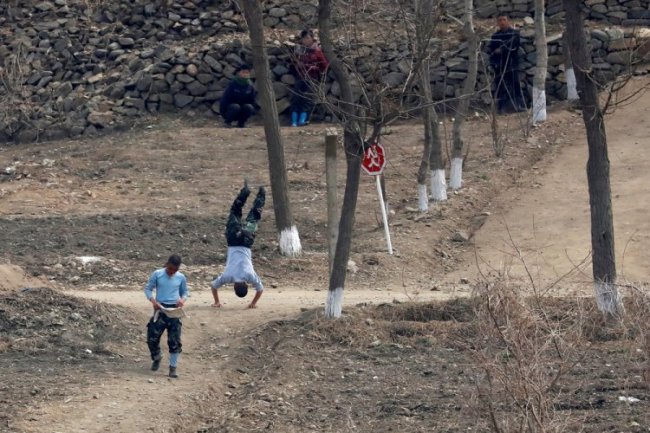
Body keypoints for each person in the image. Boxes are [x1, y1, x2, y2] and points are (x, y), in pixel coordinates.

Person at [211, 182, 265, 309]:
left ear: (246, 284)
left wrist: (253, 303)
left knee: (254, 216)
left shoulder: (250, 276)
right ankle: (245, 191)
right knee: (235, 212)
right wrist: (217, 301)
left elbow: (260, 289)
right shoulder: (228, 276)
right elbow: (213, 286)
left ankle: (261, 193)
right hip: (233, 240)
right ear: (234, 286)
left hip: (247, 242)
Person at [144, 254, 188, 378]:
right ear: (167, 264)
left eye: (175, 270)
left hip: (174, 311)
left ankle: (173, 368)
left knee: (174, 341)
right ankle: (156, 357)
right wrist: (153, 301)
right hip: (161, 309)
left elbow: (185, 292)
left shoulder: (181, 277)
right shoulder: (157, 274)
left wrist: (182, 300)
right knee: (152, 337)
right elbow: (148, 289)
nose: (172, 272)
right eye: (170, 269)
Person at [487, 14, 526, 113]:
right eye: (500, 20)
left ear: (508, 21)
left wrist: (502, 49)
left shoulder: (514, 34)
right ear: (497, 23)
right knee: (500, 86)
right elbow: (492, 50)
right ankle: (501, 108)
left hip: (511, 64)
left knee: (515, 85)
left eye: (504, 20)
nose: (502, 22)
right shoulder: (495, 36)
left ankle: (519, 106)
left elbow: (514, 46)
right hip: (500, 65)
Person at [290, 29, 329, 127]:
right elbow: (292, 64)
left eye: (307, 38)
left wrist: (312, 67)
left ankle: (303, 120)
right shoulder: (299, 50)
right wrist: (297, 64)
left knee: (308, 100)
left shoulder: (317, 51)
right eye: (303, 38)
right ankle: (294, 120)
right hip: (300, 77)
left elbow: (324, 66)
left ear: (312, 38)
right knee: (296, 98)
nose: (305, 40)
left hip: (312, 78)